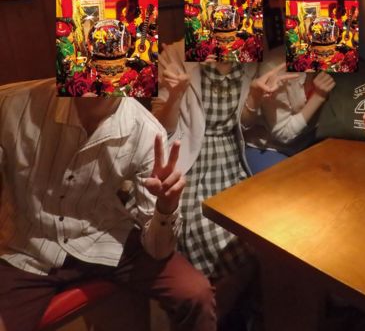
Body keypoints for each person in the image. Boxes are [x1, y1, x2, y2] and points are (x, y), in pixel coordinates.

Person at [0, 79, 215, 331]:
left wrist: (166, 206)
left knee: (195, 292)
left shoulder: (145, 129)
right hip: (25, 249)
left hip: (102, 236)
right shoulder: (11, 105)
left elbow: (159, 251)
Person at [153, 39, 297, 318]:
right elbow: (162, 128)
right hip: (192, 161)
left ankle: (223, 312)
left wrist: (254, 96)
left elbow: (242, 125)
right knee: (211, 233)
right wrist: (175, 95)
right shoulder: (176, 54)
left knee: (259, 229)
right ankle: (214, 313)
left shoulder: (248, 54)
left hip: (231, 157)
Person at [244, 45, 336, 173]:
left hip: (308, 141)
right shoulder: (276, 66)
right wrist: (318, 96)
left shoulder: (333, 55)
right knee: (293, 181)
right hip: (270, 147)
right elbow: (282, 134)